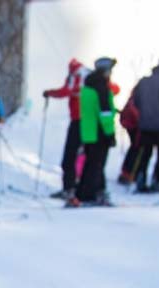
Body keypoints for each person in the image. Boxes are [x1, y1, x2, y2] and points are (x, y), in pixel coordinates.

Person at [70, 57, 118, 207]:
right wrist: (110, 132)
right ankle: (91, 195)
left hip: (89, 131)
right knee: (97, 165)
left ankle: (84, 193)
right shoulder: (101, 86)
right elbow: (104, 112)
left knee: (91, 164)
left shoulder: (89, 84)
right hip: (100, 131)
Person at [42, 59, 89, 200]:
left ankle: (69, 188)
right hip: (90, 122)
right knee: (86, 155)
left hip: (78, 121)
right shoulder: (91, 77)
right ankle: (82, 187)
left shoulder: (75, 76)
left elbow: (66, 91)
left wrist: (49, 93)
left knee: (70, 156)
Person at [130, 64, 159, 193]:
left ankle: (140, 179)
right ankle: (156, 180)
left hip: (145, 126)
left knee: (144, 154)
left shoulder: (143, 82)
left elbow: (134, 102)